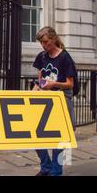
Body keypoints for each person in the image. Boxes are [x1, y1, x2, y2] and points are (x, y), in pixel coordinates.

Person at [32, 27, 76, 176]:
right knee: (35, 133)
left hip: (61, 99)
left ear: (53, 39)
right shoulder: (41, 57)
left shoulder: (65, 58)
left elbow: (70, 84)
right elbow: (40, 81)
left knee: (61, 137)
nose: (44, 46)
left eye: (45, 42)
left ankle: (56, 171)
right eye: (41, 43)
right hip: (44, 99)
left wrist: (54, 85)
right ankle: (46, 166)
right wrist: (32, 93)